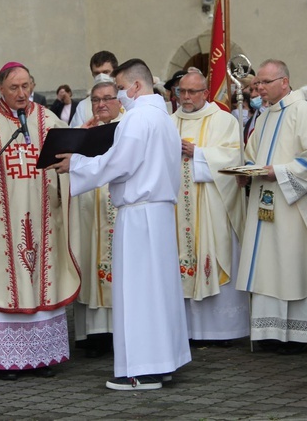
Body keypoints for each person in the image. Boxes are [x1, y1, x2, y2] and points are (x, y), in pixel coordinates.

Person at [51, 58, 191, 391]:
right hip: (157, 213)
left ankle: (141, 370)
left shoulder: (138, 119)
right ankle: (162, 362)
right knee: (159, 292)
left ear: (136, 86)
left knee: (138, 293)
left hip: (139, 214)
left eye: (121, 88)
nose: (120, 96)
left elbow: (119, 163)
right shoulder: (163, 118)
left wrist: (77, 164)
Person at [0, 61, 79, 381]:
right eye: (14, 88)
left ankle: (43, 356)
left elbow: (68, 165)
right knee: (2, 280)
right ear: (1, 90)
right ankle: (3, 359)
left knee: (42, 282)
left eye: (26, 86)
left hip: (43, 216)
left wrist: (75, 155)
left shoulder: (48, 120)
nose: (22, 94)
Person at [235, 59, 307, 353]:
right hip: (265, 202)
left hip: (293, 206)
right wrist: (245, 173)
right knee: (267, 265)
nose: (258, 88)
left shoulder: (303, 112)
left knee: (292, 264)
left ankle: (300, 335)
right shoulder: (263, 117)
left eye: (264, 83)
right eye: (257, 83)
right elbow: (253, 155)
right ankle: (271, 332)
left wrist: (279, 171)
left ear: (284, 82)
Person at [171, 70, 249, 344]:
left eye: (193, 92)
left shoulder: (224, 121)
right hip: (178, 210)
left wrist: (199, 154)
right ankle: (188, 331)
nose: (187, 97)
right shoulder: (168, 123)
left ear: (206, 93)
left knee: (215, 255)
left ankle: (225, 330)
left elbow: (234, 158)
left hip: (213, 209)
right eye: (182, 91)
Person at [68, 74, 123, 358]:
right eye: (95, 100)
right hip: (91, 213)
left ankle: (120, 331)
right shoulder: (84, 130)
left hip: (117, 211)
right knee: (89, 263)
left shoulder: (128, 128)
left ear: (118, 100)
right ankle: (93, 334)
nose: (101, 105)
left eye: (106, 99)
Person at [70, 51, 118, 127]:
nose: (101, 76)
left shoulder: (126, 100)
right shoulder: (83, 106)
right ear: (92, 74)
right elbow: (75, 135)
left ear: (115, 72)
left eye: (106, 72)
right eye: (97, 73)